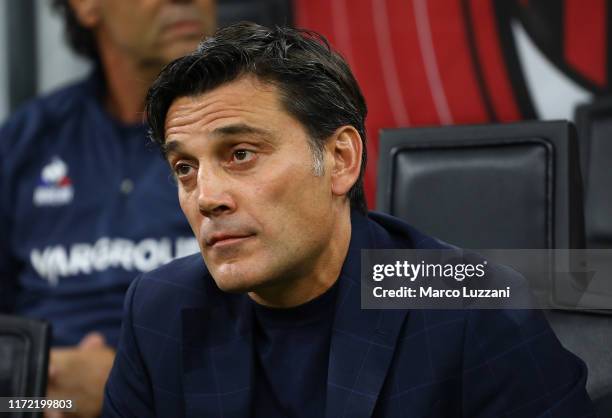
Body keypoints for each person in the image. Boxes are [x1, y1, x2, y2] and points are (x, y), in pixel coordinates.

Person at [103, 22, 595, 417]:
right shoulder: (158, 311)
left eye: (241, 154)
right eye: (184, 168)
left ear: (340, 160)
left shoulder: (473, 311)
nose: (206, 197)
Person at [0, 1, 215, 417]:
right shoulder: (25, 142)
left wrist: (126, 385)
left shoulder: (262, 133)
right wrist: (35, 390)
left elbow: (348, 315)